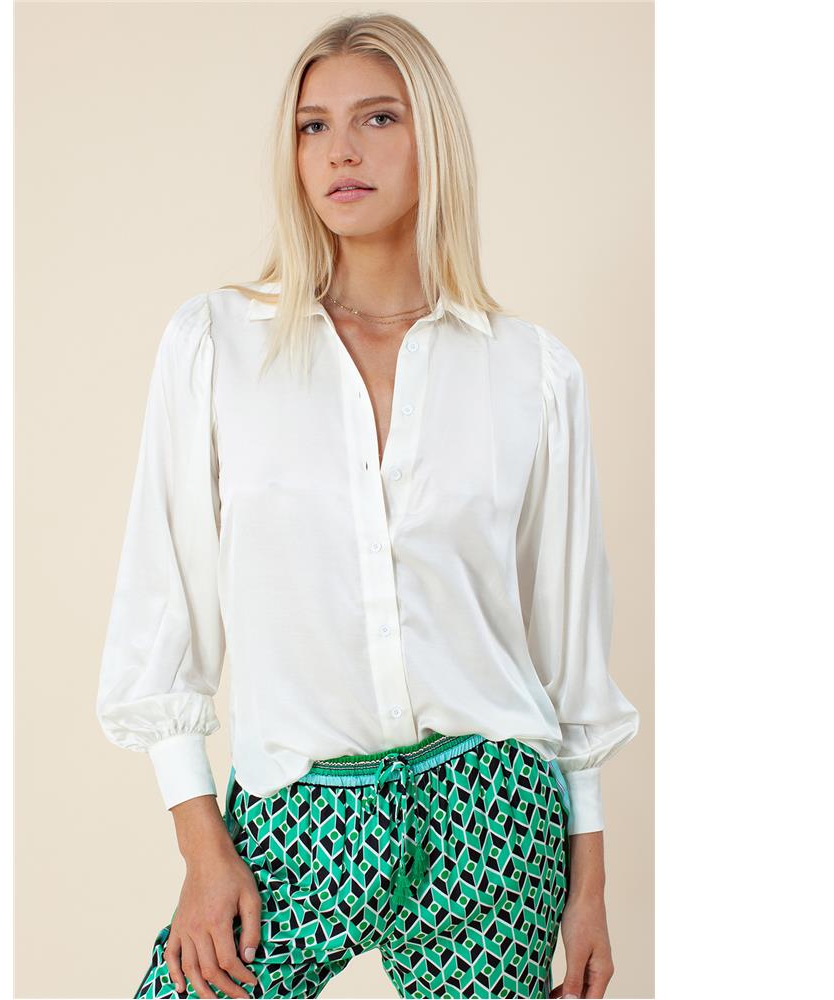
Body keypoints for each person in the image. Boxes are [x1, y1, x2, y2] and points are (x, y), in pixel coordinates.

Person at [96, 12, 640, 1000]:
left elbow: (566, 650)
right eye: (313, 126)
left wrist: (589, 886)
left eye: (377, 118)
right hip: (297, 811)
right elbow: (162, 605)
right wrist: (203, 849)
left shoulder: (531, 373)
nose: (340, 150)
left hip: (491, 813)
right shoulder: (218, 344)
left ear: (434, 138)